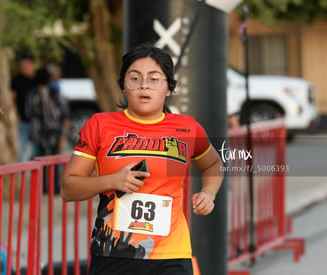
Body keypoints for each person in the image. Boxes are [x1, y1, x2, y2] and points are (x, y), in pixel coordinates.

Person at [61, 44, 224, 275]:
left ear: (169, 88)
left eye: (154, 78)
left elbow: (214, 164)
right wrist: (112, 181)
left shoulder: (186, 128)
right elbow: (69, 188)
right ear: (124, 87)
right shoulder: (100, 125)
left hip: (171, 253)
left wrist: (209, 193)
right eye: (135, 78)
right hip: (113, 251)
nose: (144, 85)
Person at [11, 56, 36, 161]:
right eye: (22, 66)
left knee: (37, 149)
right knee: (20, 148)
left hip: (37, 121)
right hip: (23, 120)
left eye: (26, 66)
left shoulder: (37, 79)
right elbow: (12, 98)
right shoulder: (17, 80)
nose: (24, 68)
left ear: (32, 65)